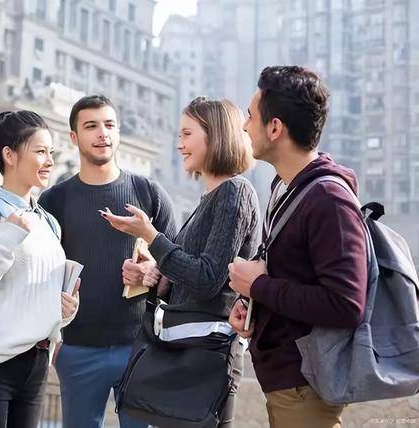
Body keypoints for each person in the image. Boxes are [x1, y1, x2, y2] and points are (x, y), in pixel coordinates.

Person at [101, 97, 260, 427]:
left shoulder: (235, 192)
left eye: (187, 134)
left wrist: (152, 236)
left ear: (215, 135)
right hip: (186, 353)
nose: (179, 145)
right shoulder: (209, 198)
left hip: (206, 358)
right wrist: (152, 273)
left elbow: (208, 278)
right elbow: (191, 275)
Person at [228, 66, 368, 428]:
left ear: (275, 128)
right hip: (285, 382)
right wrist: (251, 304)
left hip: (306, 387)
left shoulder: (328, 199)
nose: (244, 126)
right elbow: (290, 273)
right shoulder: (284, 187)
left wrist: (257, 286)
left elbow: (345, 304)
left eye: (250, 116)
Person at [38, 95, 177, 428]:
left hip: (140, 348)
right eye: (91, 126)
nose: (103, 133)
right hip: (76, 351)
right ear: (74, 138)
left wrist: (152, 272)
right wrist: (52, 340)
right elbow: (40, 274)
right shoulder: (54, 199)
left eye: (109, 125)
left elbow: (180, 262)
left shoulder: (149, 192)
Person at [0, 110, 80, 428]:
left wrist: (66, 311)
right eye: (40, 151)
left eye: (50, 152)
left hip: (37, 365)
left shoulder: (48, 223)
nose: (49, 161)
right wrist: (8, 239)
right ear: (9, 155)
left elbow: (39, 294)